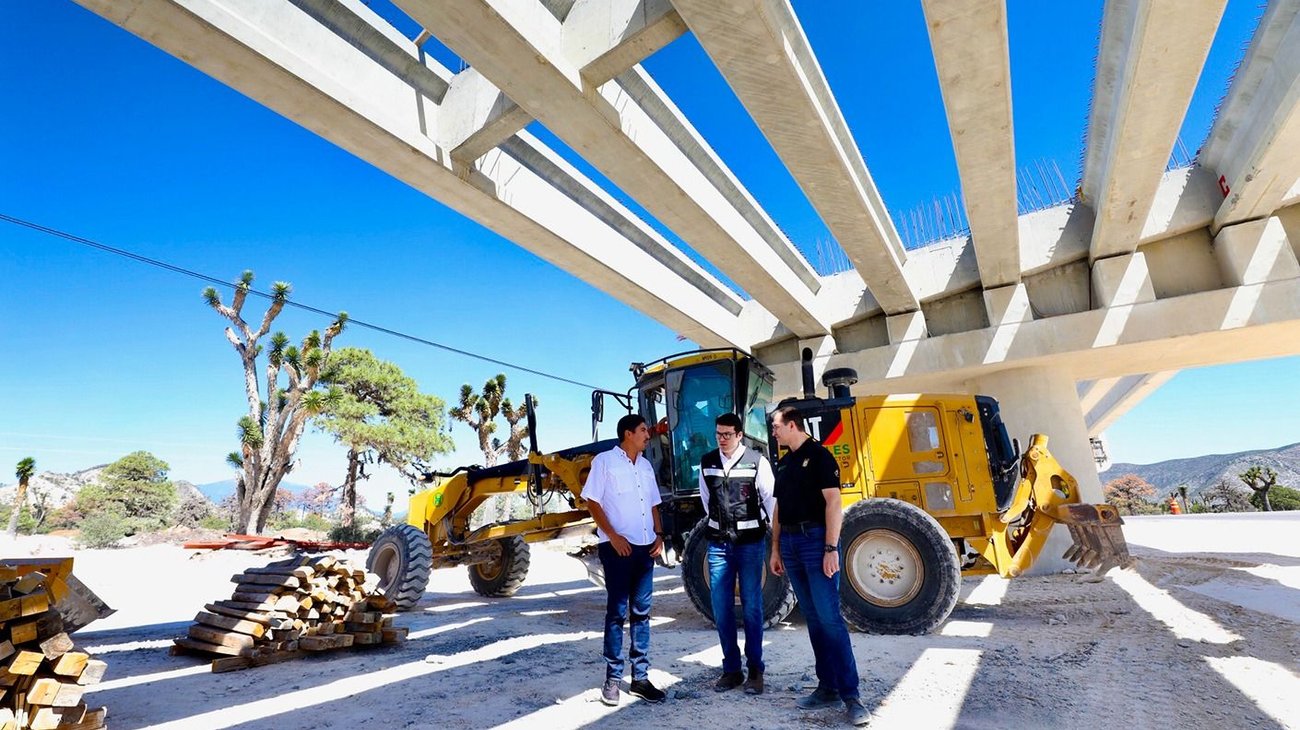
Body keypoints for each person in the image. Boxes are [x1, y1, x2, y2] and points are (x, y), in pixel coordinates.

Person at [768, 405, 867, 726]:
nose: (773, 432)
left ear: (792, 425)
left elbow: (834, 502)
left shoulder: (820, 457)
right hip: (791, 546)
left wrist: (830, 548)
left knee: (830, 618)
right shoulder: (783, 463)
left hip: (815, 542)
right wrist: (775, 549)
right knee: (812, 618)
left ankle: (851, 696)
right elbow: (779, 508)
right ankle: (827, 687)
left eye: (776, 426)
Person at [583, 413, 667, 707]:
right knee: (617, 613)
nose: (648, 434)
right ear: (628, 433)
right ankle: (613, 679)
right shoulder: (604, 462)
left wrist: (659, 535)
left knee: (642, 613)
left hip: (646, 549)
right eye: (644, 430)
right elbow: (592, 501)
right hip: (618, 549)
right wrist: (613, 536)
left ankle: (641, 678)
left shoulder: (645, 465)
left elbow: (654, 503)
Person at [697, 413, 775, 695]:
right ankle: (732, 670)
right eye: (718, 433)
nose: (721, 439)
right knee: (721, 608)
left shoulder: (757, 462)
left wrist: (776, 543)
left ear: (740, 435)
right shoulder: (707, 463)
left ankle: (755, 670)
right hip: (718, 545)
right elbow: (707, 502)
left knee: (753, 607)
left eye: (727, 434)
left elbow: (770, 501)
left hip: (750, 544)